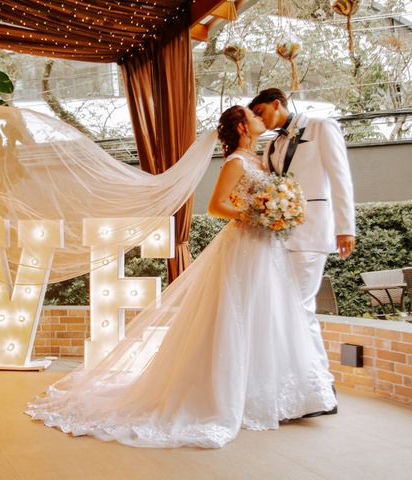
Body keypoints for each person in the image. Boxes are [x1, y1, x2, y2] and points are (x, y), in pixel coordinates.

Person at [25, 106, 337, 449]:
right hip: (246, 243)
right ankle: (224, 395)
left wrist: (279, 209)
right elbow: (217, 205)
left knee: (268, 316)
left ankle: (273, 394)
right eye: (253, 115)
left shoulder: (262, 158)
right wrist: (258, 211)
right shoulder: (236, 162)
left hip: (266, 247)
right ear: (241, 126)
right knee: (237, 316)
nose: (260, 117)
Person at [249, 88, 356, 415]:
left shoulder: (322, 127)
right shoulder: (270, 145)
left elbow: (340, 177)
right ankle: (311, 388)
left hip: (312, 232)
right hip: (279, 236)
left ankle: (321, 386)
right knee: (291, 310)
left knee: (299, 308)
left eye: (262, 113)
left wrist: (345, 227)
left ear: (277, 104)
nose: (261, 121)